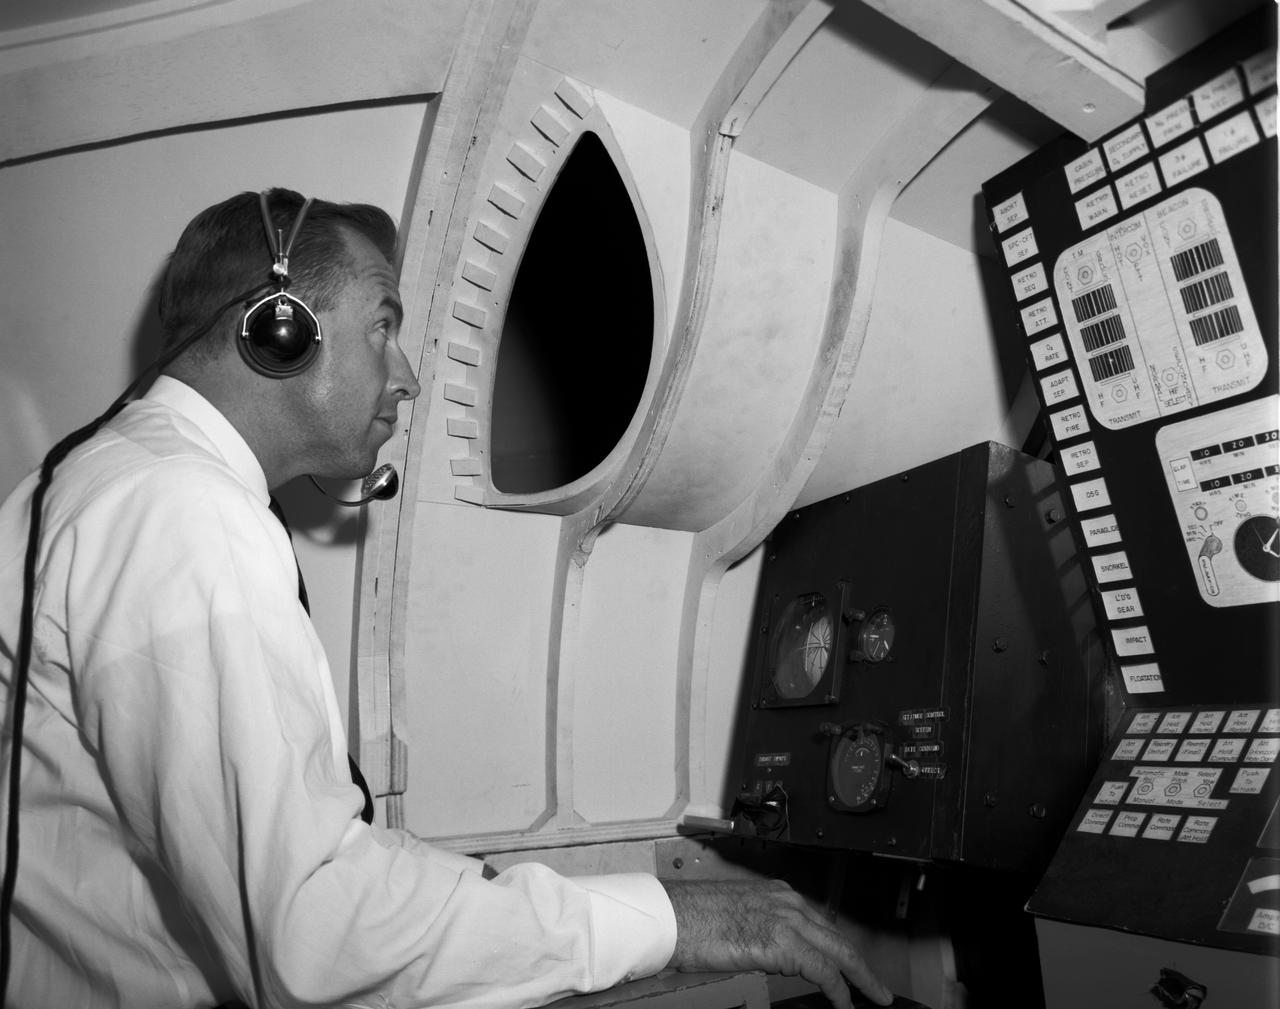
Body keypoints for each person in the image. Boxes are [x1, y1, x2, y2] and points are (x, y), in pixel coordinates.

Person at [0, 189, 892, 1009]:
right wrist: (675, 921)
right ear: (282, 327)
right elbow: (314, 932)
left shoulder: (117, 486)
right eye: (382, 325)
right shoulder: (179, 513)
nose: (408, 375)